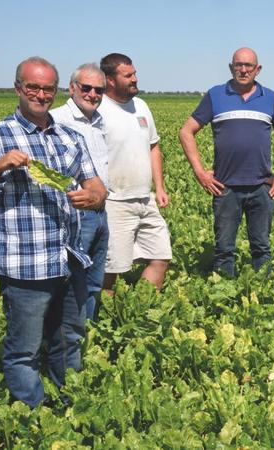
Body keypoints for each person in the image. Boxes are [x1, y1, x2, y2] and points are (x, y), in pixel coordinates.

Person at [0, 57, 106, 407]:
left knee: (68, 340)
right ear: (18, 89)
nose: (40, 95)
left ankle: (67, 409)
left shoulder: (69, 136)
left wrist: (94, 196)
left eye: (47, 89)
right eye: (33, 87)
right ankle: (33, 419)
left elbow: (97, 186)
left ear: (56, 91)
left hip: (68, 259)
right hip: (25, 264)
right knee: (23, 350)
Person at [179, 47, 274, 277]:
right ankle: (223, 299)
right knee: (224, 250)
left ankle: (264, 296)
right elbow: (186, 132)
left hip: (261, 187)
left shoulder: (269, 97)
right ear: (231, 68)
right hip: (225, 187)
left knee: (261, 247)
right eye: (238, 65)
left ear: (257, 69)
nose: (243, 70)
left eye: (248, 65)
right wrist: (200, 172)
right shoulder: (216, 95)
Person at [97, 53, 171, 291]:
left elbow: (154, 146)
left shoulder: (141, 106)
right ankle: (105, 319)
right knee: (111, 269)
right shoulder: (98, 109)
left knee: (161, 256)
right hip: (114, 201)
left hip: (145, 198)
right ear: (109, 80)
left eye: (134, 73)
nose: (135, 79)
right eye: (128, 75)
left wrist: (158, 187)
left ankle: (139, 310)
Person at [50, 63, 109, 321]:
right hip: (73, 214)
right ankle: (65, 340)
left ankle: (88, 333)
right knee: (71, 283)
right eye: (86, 88)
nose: (93, 94)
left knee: (94, 280)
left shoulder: (99, 121)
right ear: (72, 88)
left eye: (99, 90)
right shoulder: (56, 119)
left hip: (100, 211)